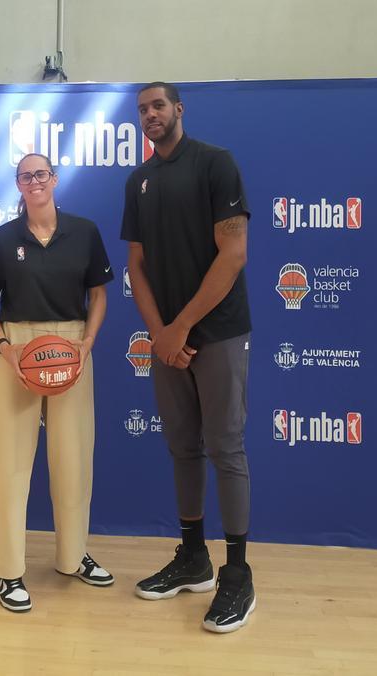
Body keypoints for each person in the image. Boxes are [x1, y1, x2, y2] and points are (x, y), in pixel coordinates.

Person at [120, 81, 256, 634]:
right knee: (182, 447)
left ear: (179, 110)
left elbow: (234, 253)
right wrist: (159, 334)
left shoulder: (215, 165)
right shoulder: (139, 181)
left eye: (159, 106)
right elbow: (137, 266)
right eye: (143, 110)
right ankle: (193, 557)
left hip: (217, 332)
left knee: (225, 447)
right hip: (168, 342)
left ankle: (238, 574)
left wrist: (179, 328)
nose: (151, 114)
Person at [0, 153, 114, 613]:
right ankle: (6, 568)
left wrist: (87, 342)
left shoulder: (85, 232)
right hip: (18, 348)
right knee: (6, 462)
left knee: (73, 458)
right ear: (18, 184)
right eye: (25, 176)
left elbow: (99, 295)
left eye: (41, 174)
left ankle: (73, 556)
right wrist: (5, 347)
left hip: (71, 345)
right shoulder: (3, 238)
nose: (34, 182)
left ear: (54, 179)